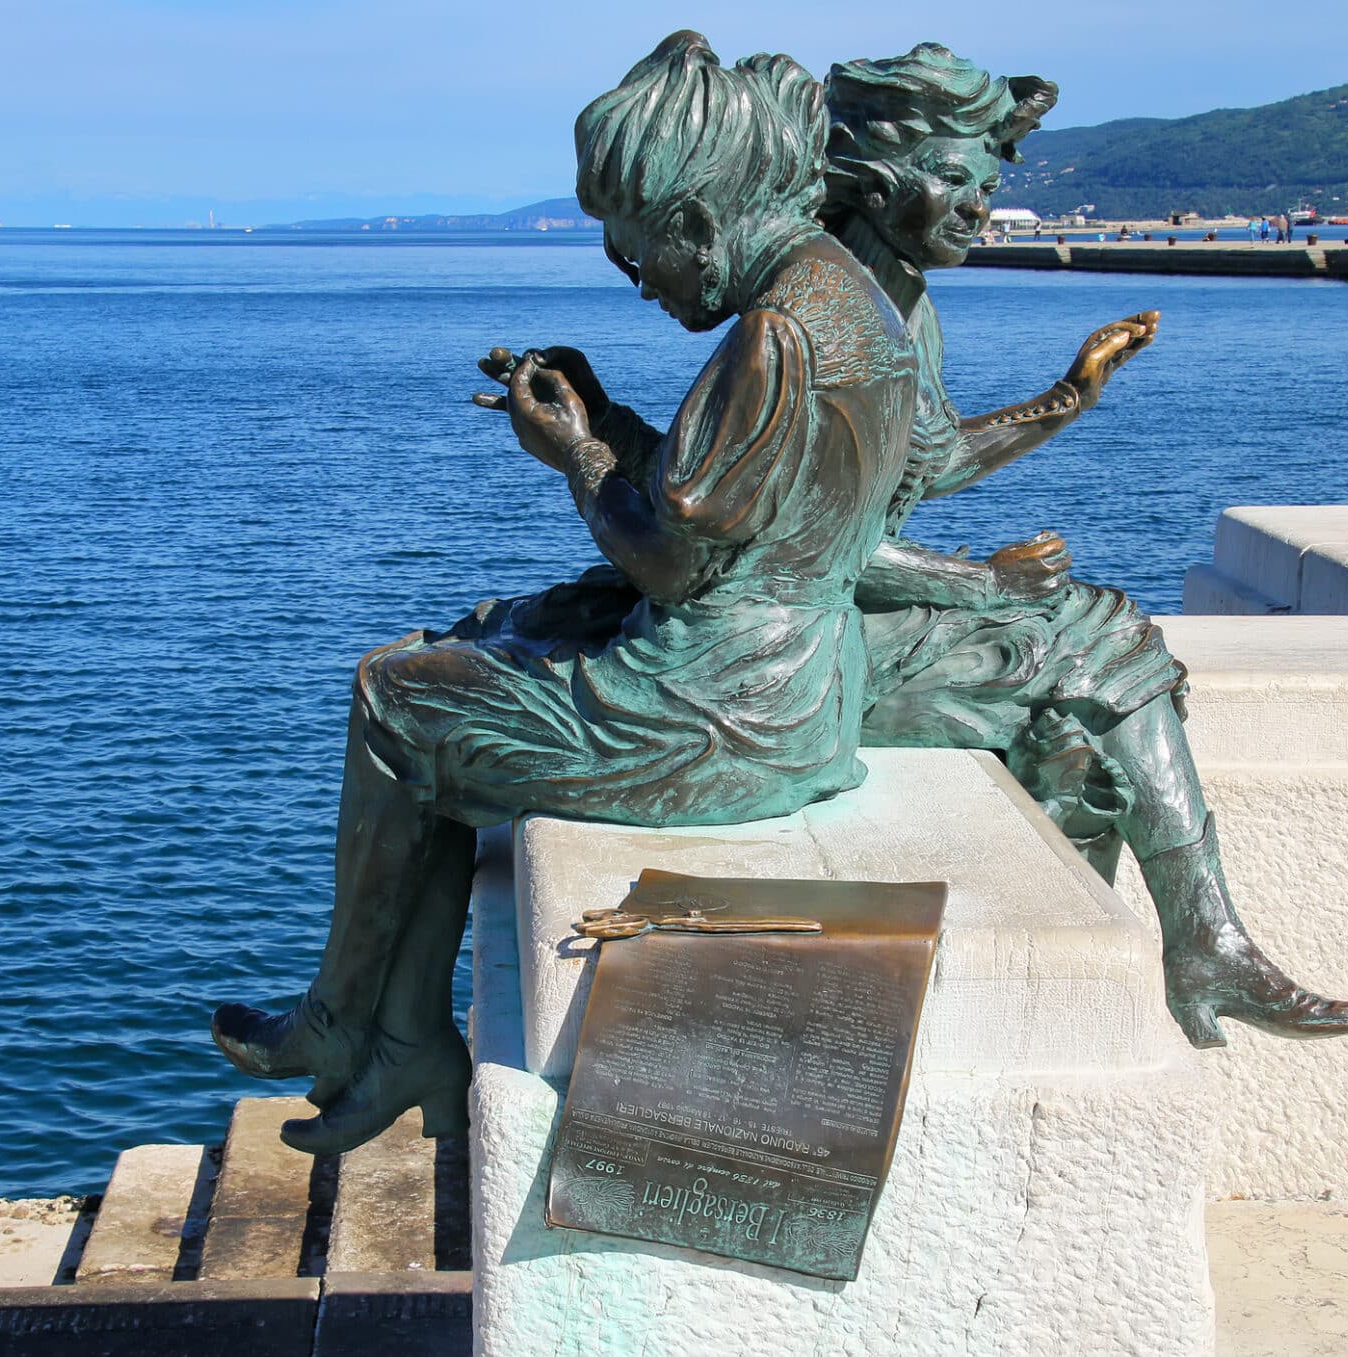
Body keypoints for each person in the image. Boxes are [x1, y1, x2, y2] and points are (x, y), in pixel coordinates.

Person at [210, 31, 918, 1153]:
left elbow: (674, 561)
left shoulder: (775, 335)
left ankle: (346, 1023)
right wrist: (614, 423)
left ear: (694, 223)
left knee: (397, 699)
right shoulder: (848, 301)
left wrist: (575, 460)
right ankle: (400, 1040)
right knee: (482, 648)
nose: (640, 283)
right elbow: (734, 494)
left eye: (638, 256)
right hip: (805, 686)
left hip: (722, 717)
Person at [821, 44, 1348, 1048]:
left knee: (1098, 638)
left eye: (983, 185)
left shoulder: (896, 305)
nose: (975, 209)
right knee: (1096, 642)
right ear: (870, 174)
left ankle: (1175, 945)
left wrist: (1069, 393)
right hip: (817, 649)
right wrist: (979, 581)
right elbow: (811, 551)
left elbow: (929, 460)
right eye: (952, 179)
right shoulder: (831, 324)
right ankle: (1192, 943)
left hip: (853, 612)